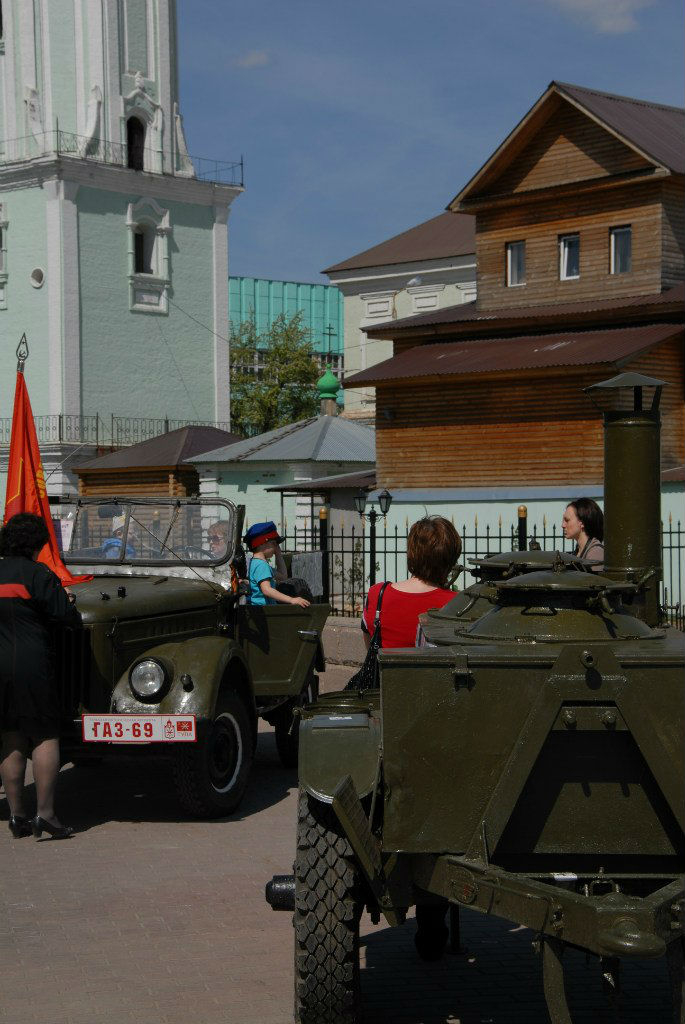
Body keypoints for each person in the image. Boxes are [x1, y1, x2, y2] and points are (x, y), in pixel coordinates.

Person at [0, 513, 82, 839]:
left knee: (11, 736)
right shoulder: (38, 574)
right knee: (45, 736)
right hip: (31, 665)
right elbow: (67, 618)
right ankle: (46, 815)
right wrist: (68, 601)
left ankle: (17, 816)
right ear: (36, 544)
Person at [361, 516, 462, 650]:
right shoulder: (458, 605)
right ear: (452, 559)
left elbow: (370, 647)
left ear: (411, 552)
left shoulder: (377, 594)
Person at [244, 522, 310, 608]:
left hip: (262, 609)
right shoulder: (261, 565)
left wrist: (278, 554)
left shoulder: (257, 563)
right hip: (265, 610)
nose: (276, 547)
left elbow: (283, 576)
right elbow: (267, 590)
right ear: (262, 543)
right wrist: (291, 600)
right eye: (274, 544)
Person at [562, 497, 604, 570]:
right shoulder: (578, 552)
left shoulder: (596, 553)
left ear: (582, 523)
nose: (563, 525)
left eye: (567, 520)